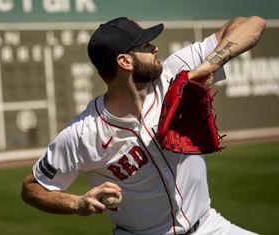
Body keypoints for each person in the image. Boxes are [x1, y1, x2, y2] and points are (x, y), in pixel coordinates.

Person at [21, 16, 265, 235]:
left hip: (208, 226)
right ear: (125, 61)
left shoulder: (174, 74)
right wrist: (76, 203)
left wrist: (211, 63)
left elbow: (253, 25)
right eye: (146, 45)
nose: (155, 47)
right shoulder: (83, 133)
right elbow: (32, 188)